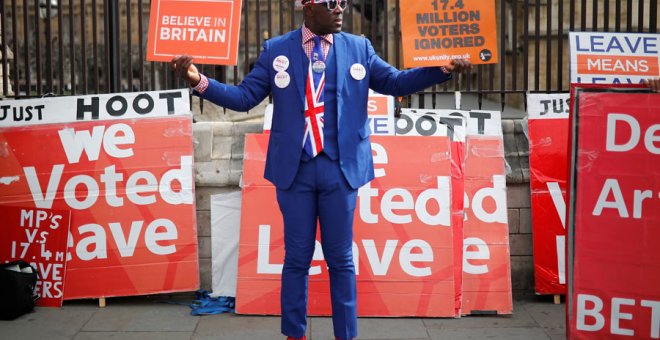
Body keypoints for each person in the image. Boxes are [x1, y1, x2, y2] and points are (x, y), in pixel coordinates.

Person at [171, 0, 471, 339]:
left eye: (343, 3)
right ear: (309, 9)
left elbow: (395, 83)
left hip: (340, 170)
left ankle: (346, 335)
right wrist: (198, 80)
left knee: (341, 260)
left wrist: (442, 69)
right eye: (332, 4)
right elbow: (244, 98)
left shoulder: (359, 47)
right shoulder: (277, 49)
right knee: (296, 258)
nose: (341, 9)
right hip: (294, 171)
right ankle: (295, 334)